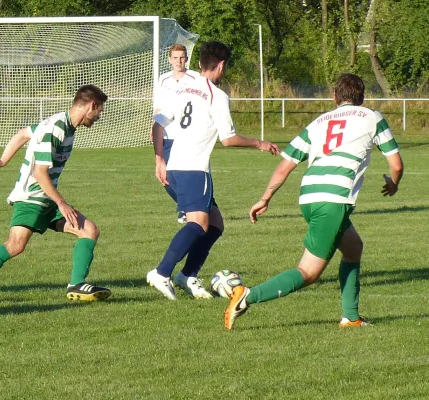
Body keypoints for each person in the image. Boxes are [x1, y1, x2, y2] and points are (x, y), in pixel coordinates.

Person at [225, 73, 404, 329]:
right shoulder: (372, 117)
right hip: (333, 199)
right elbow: (396, 164)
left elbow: (285, 166)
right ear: (362, 98)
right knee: (308, 273)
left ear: (334, 97)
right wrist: (393, 184)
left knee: (353, 248)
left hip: (308, 196)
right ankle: (246, 296)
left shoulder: (319, 121)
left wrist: (265, 198)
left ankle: (351, 317)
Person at [0, 84, 112, 304]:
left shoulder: (64, 125)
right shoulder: (57, 129)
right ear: (91, 105)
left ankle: (76, 285)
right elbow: (40, 171)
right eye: (99, 111)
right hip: (32, 197)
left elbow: (23, 133)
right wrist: (62, 203)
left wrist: (4, 159)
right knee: (16, 244)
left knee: (90, 230)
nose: (98, 117)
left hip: (47, 198)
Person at [147, 41, 280, 300]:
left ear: (198, 64)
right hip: (194, 169)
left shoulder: (182, 89)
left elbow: (158, 125)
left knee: (216, 224)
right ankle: (161, 272)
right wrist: (260, 143)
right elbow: (228, 139)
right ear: (221, 66)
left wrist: (159, 160)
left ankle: (186, 275)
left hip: (174, 166)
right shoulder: (217, 96)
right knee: (199, 224)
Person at [152, 43, 200, 224]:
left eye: (182, 57)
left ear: (187, 59)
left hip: (188, 134)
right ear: (170, 60)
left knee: (187, 173)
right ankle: (186, 205)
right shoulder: (163, 79)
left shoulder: (195, 78)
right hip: (166, 133)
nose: (179, 61)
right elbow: (158, 106)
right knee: (166, 176)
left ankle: (188, 209)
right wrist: (154, 126)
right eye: (175, 58)